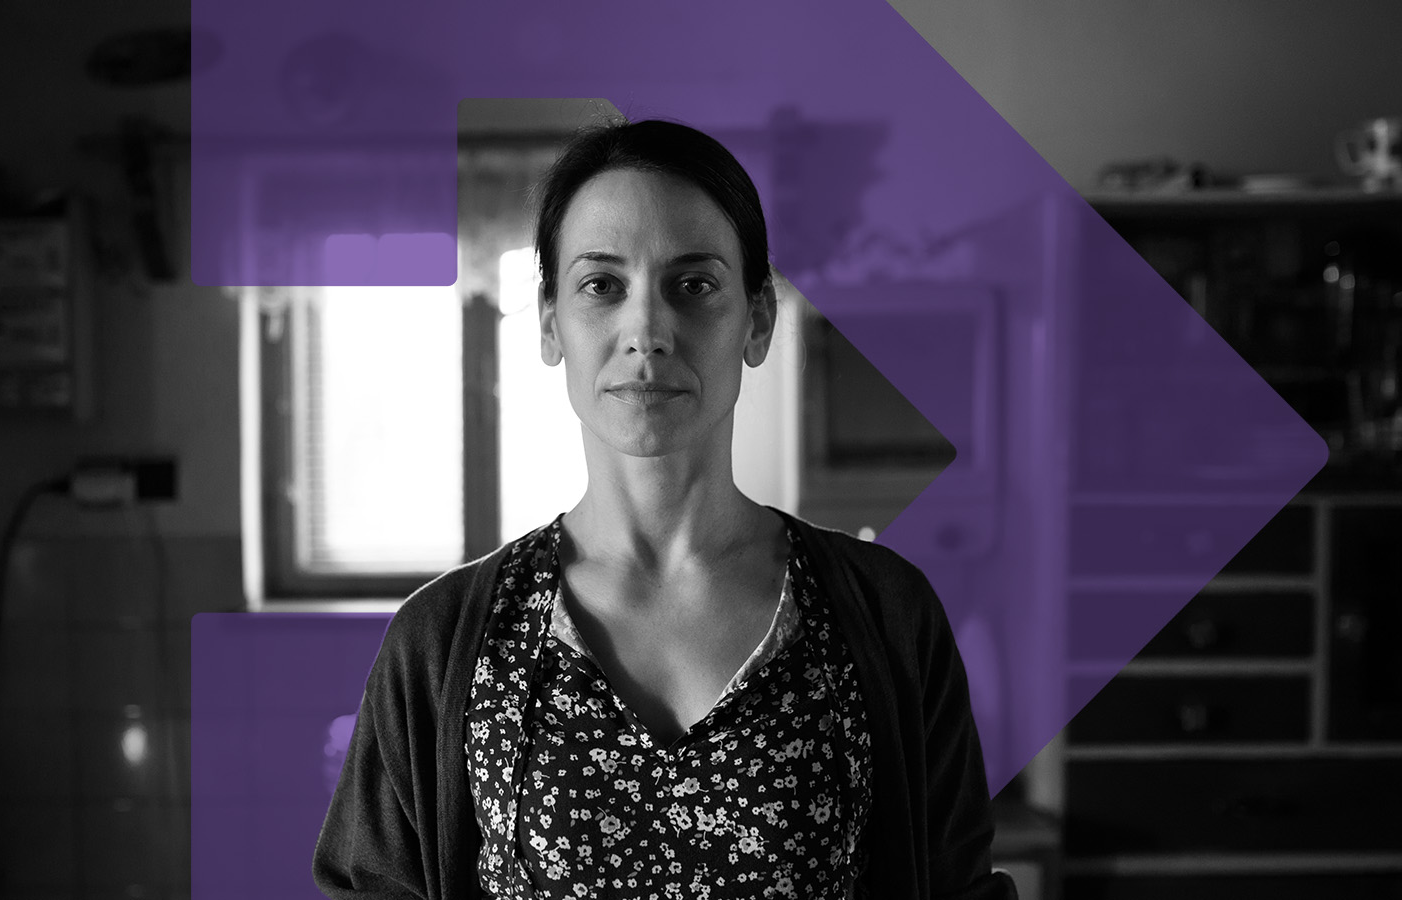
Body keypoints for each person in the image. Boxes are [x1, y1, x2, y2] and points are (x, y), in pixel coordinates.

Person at [313, 119, 1014, 900]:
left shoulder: (888, 619)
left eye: (694, 285)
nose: (646, 331)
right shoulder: (441, 646)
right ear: (551, 323)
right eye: (601, 286)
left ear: (757, 321)